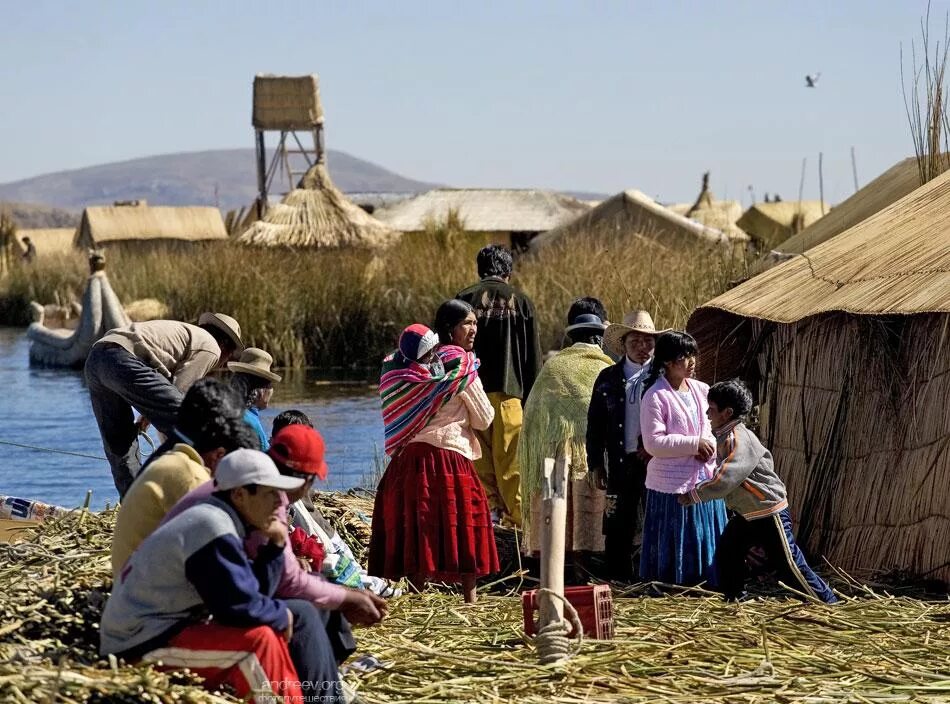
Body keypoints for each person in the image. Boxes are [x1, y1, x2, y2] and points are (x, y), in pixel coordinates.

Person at [100, 450, 343, 704]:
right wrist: (282, 614)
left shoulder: (223, 519)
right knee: (255, 647)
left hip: (173, 626)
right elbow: (236, 607)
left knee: (269, 631)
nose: (279, 501)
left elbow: (251, 593)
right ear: (239, 495)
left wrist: (275, 547)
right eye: (270, 493)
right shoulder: (211, 526)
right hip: (140, 643)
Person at [162, 426, 387, 660]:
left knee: (315, 591)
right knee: (304, 611)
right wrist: (347, 598)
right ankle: (320, 687)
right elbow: (288, 583)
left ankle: (329, 670)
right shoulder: (264, 498)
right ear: (306, 482)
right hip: (185, 615)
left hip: (215, 594)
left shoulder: (256, 487)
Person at [369, 322, 498, 603]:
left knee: (418, 527)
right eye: (468, 323)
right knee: (464, 524)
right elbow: (485, 419)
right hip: (449, 456)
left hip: (408, 462)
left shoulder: (394, 374)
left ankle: (416, 598)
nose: (474, 329)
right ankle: (470, 601)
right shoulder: (461, 372)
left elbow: (396, 417)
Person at [679, 379, 838, 603]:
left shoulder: (738, 438)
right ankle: (735, 600)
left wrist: (694, 494)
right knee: (728, 553)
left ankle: (828, 602)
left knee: (789, 565)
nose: (707, 413)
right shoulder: (725, 436)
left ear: (727, 413)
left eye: (712, 409)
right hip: (747, 513)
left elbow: (727, 477)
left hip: (767, 510)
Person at [84, 312, 243, 498]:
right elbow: (181, 397)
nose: (223, 362)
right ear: (224, 345)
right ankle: (192, 491)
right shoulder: (211, 347)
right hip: (123, 359)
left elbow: (164, 393)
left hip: (96, 359)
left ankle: (132, 502)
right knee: (193, 425)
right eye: (229, 356)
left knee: (119, 442)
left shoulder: (187, 334)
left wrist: (149, 415)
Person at [111, 378, 258, 574]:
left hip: (133, 573)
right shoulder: (189, 474)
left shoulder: (173, 452)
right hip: (146, 584)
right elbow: (214, 551)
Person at [519, 306, 613, 578]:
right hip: (589, 456)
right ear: (597, 337)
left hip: (552, 454)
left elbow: (533, 414)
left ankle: (553, 574)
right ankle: (584, 574)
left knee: (557, 511)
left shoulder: (553, 366)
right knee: (584, 511)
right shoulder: (604, 365)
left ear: (573, 337)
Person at [456, 245, 542, 527]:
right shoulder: (523, 302)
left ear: (480, 269)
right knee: (512, 466)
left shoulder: (464, 299)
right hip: (510, 397)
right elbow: (533, 358)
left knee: (480, 463)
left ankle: (489, 519)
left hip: (470, 393)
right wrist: (532, 399)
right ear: (508, 271)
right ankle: (518, 525)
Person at [639, 331, 727, 586]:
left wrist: (708, 445)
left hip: (703, 477)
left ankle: (709, 582)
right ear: (667, 361)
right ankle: (675, 584)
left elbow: (713, 427)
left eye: (692, 355)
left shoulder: (702, 390)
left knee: (705, 534)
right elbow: (653, 443)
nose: (691, 362)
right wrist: (693, 445)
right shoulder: (655, 396)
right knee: (679, 536)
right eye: (683, 357)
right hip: (673, 485)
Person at [587, 310, 664, 581]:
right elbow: (594, 424)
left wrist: (654, 446)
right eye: (636, 342)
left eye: (648, 342)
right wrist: (595, 463)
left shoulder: (662, 377)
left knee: (657, 519)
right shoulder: (607, 378)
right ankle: (618, 579)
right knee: (619, 521)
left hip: (656, 462)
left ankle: (654, 577)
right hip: (621, 460)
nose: (643, 348)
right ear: (625, 344)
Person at [229, 347, 282, 451]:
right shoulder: (251, 422)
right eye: (270, 386)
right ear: (261, 391)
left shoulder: (227, 411)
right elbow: (265, 458)